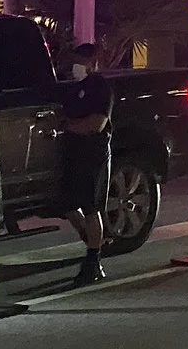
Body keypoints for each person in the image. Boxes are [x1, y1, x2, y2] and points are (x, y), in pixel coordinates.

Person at [57, 41, 114, 287]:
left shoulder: (99, 87)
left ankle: (93, 262)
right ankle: (95, 242)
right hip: (72, 153)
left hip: (94, 154)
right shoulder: (72, 88)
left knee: (92, 208)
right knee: (68, 206)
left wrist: (70, 126)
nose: (76, 66)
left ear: (93, 63)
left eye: (81, 61)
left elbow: (96, 123)